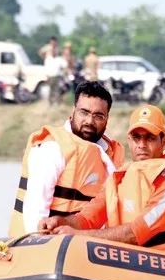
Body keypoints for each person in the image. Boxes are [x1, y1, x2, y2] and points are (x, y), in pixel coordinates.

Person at [40, 105, 165, 254]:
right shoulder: (119, 178)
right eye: (136, 138)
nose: (141, 145)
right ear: (129, 141)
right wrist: (61, 222)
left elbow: (136, 232)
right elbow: (87, 219)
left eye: (149, 138)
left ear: (163, 142)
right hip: (125, 263)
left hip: (164, 269)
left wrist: (78, 236)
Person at [8, 81, 125, 237]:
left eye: (98, 116)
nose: (89, 121)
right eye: (84, 112)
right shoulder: (52, 148)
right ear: (73, 112)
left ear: (107, 119)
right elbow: (35, 209)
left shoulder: (112, 156)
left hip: (84, 245)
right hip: (43, 244)